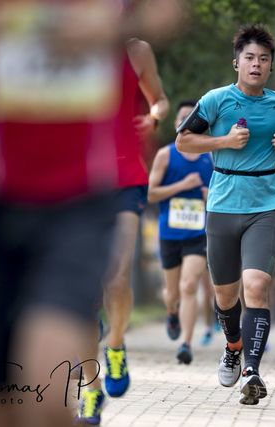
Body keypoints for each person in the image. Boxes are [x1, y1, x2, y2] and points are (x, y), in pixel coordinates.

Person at [0, 2, 184, 427]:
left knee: (47, 396)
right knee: (4, 406)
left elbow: (167, 13)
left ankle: (107, 356)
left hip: (85, 193)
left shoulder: (130, 42)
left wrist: (110, 30)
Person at [176, 24, 275, 405]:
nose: (256, 64)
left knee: (257, 286)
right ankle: (232, 347)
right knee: (225, 296)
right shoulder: (216, 100)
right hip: (223, 203)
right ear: (237, 63)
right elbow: (183, 141)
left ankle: (251, 371)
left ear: (271, 66)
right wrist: (225, 141)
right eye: (249, 58)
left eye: (263, 59)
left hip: (266, 203)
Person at [76, 38, 169, 424]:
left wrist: (154, 117)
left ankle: (115, 343)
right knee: (82, 294)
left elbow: (159, 99)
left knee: (116, 276)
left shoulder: (136, 50)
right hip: (76, 178)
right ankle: (90, 390)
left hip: (126, 176)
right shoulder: (66, 41)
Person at [147, 100, 213, 364]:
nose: (187, 122)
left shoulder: (210, 157)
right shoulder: (165, 155)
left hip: (198, 234)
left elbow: (220, 195)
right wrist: (182, 185)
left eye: (193, 118)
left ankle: (186, 343)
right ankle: (172, 312)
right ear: (176, 123)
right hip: (169, 234)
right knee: (172, 293)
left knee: (189, 285)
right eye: (183, 117)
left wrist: (210, 196)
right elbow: (151, 194)